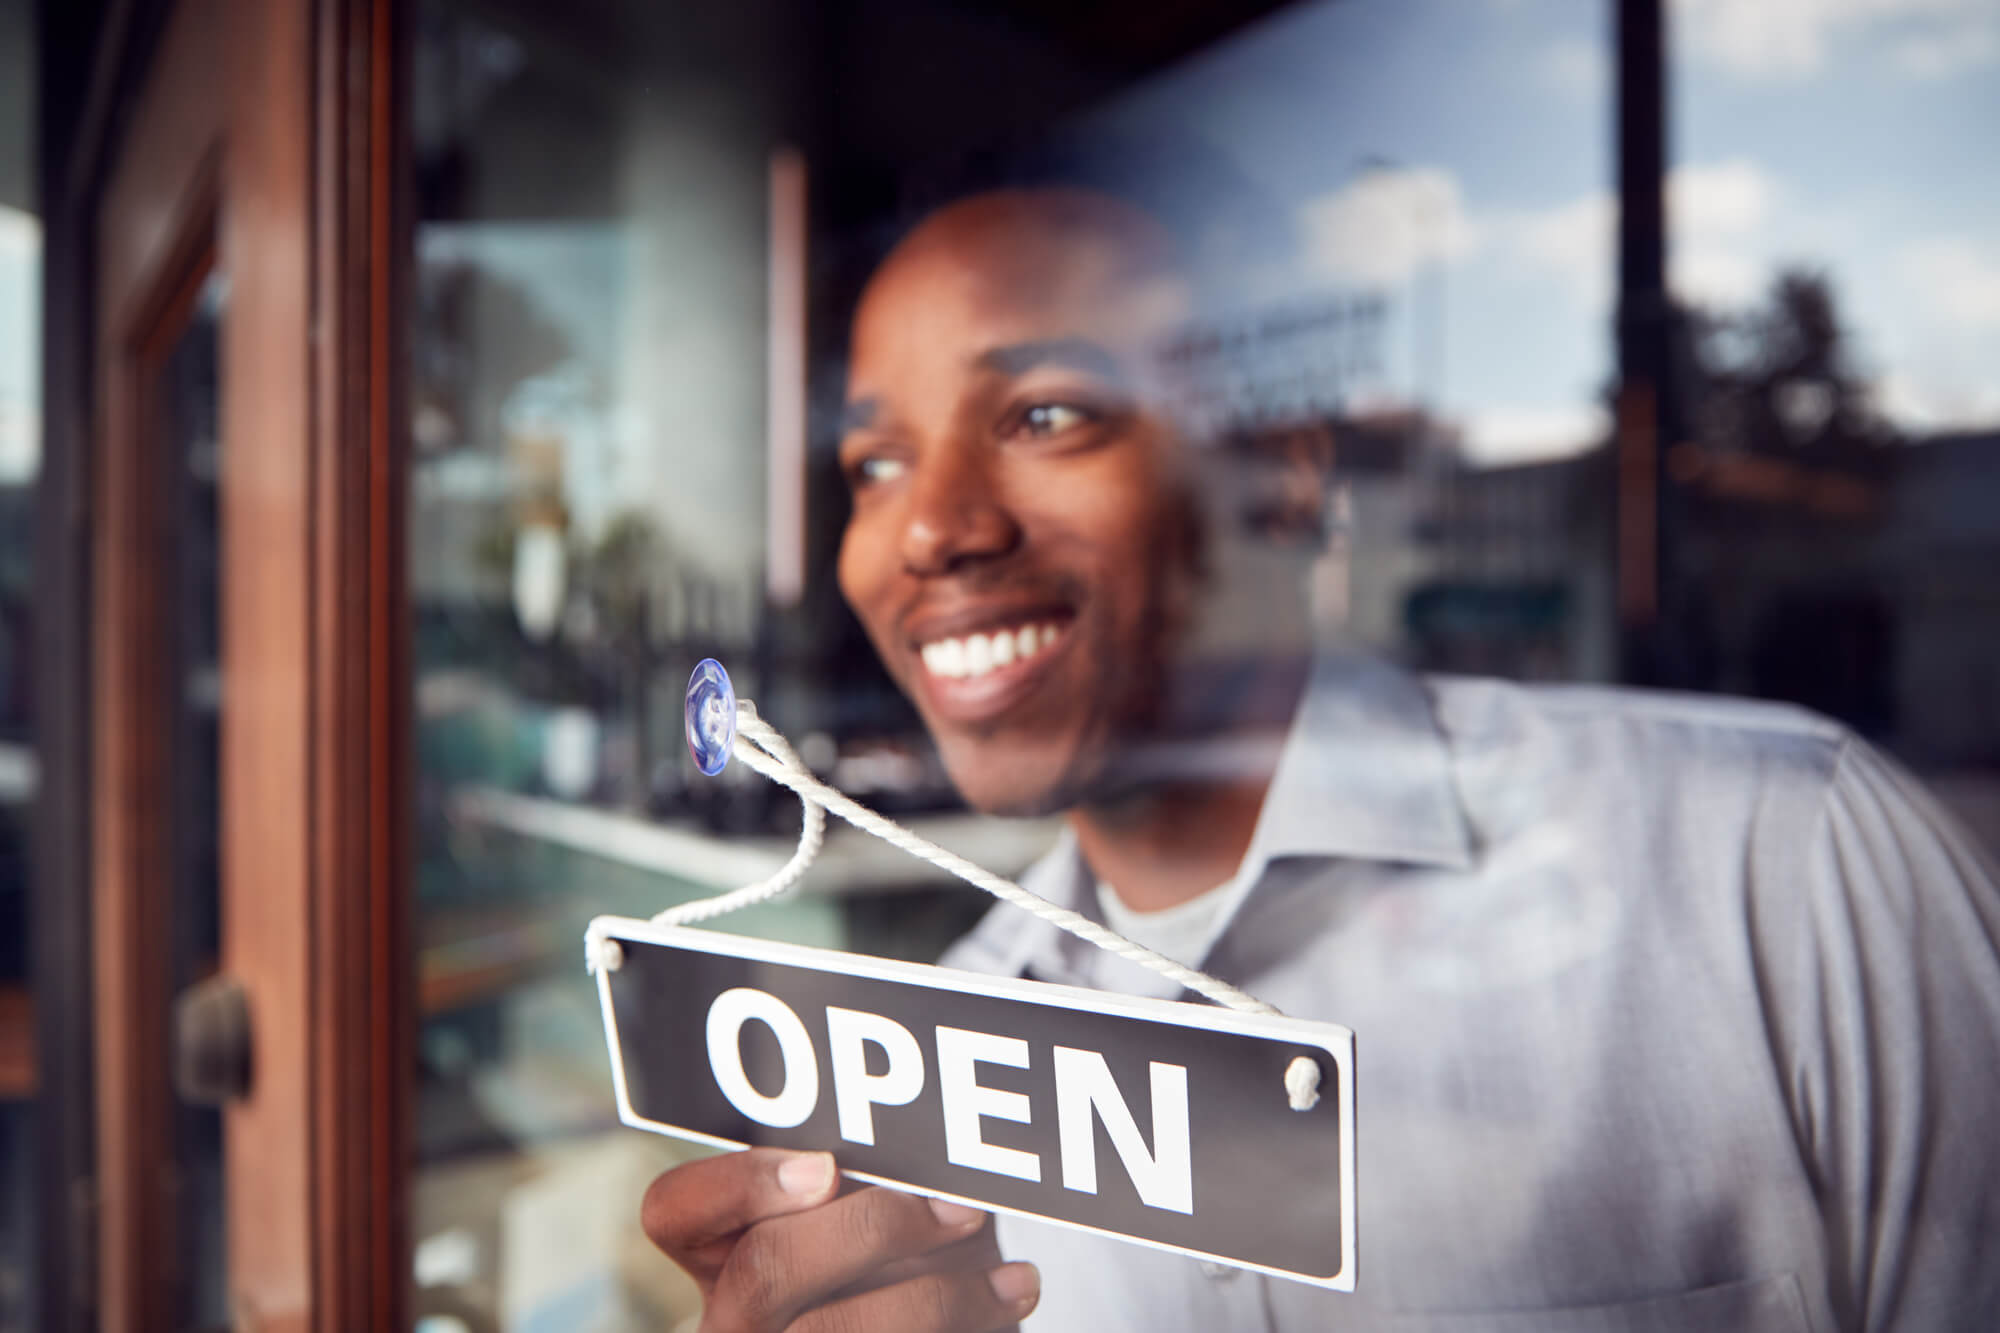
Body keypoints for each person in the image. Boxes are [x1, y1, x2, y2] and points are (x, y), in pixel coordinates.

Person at [637, 178, 2000, 1332]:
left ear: (1281, 478)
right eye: (873, 465)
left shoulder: (1787, 864)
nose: (930, 528)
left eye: (1047, 412)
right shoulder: (943, 1085)